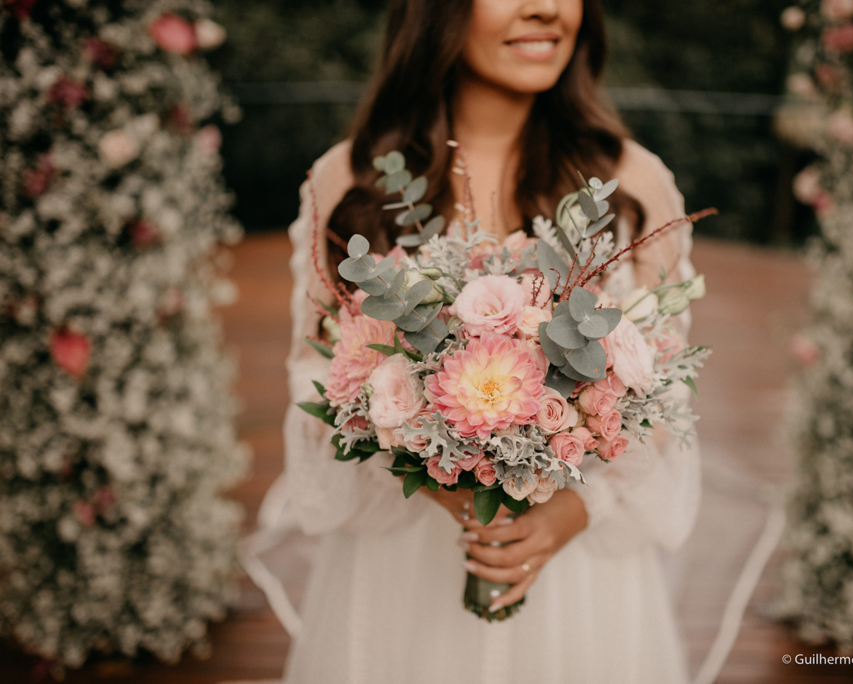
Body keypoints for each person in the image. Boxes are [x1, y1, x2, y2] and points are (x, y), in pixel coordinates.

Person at [269, 0, 701, 681]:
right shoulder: (347, 182)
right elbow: (315, 375)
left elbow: (665, 385)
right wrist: (425, 470)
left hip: (578, 589)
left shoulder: (634, 185)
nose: (546, 9)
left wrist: (576, 509)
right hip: (402, 571)